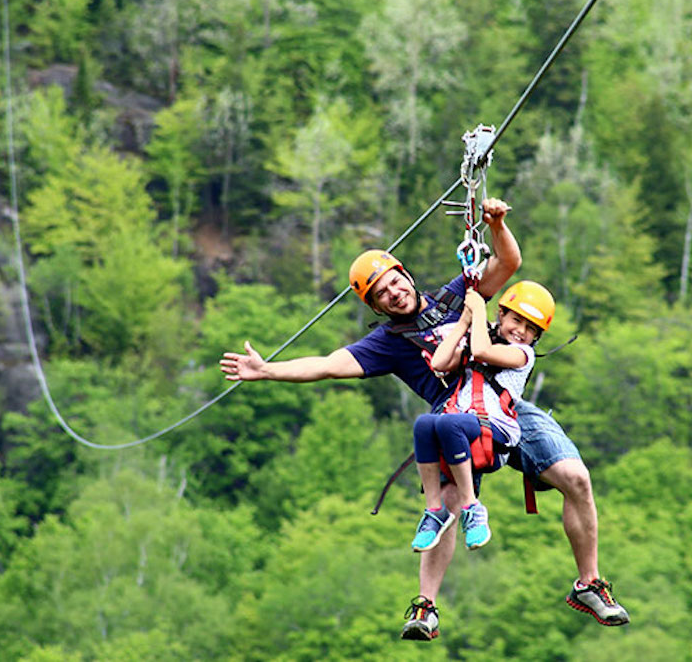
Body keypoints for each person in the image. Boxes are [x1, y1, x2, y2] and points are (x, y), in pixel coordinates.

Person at [219, 198, 629, 641]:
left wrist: (496, 224)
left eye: (395, 282)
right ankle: (426, 605)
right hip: (453, 413)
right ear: (376, 307)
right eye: (382, 294)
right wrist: (268, 371)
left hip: (506, 404)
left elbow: (508, 261)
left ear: (406, 276)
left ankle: (589, 583)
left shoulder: (455, 296)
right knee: (448, 505)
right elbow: (329, 364)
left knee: (577, 478)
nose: (393, 293)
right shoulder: (388, 342)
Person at [409, 283, 548, 556]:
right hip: (465, 427)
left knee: (449, 423)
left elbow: (483, 352)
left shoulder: (522, 354)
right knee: (424, 424)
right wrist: (464, 321)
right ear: (502, 315)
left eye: (530, 328)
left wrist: (478, 310)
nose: (520, 331)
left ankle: (472, 506)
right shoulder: (479, 340)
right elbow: (438, 363)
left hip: (495, 432)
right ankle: (434, 510)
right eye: (516, 320)